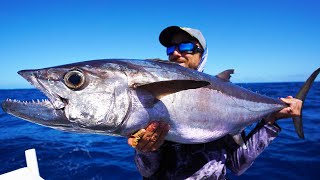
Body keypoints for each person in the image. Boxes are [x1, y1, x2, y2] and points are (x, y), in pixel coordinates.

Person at [127, 26, 302, 179]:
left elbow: (238, 165)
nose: (174, 53)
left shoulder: (222, 100)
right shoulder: (150, 99)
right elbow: (147, 171)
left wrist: (270, 122)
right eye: (171, 48)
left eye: (185, 46)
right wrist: (146, 149)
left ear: (202, 54)